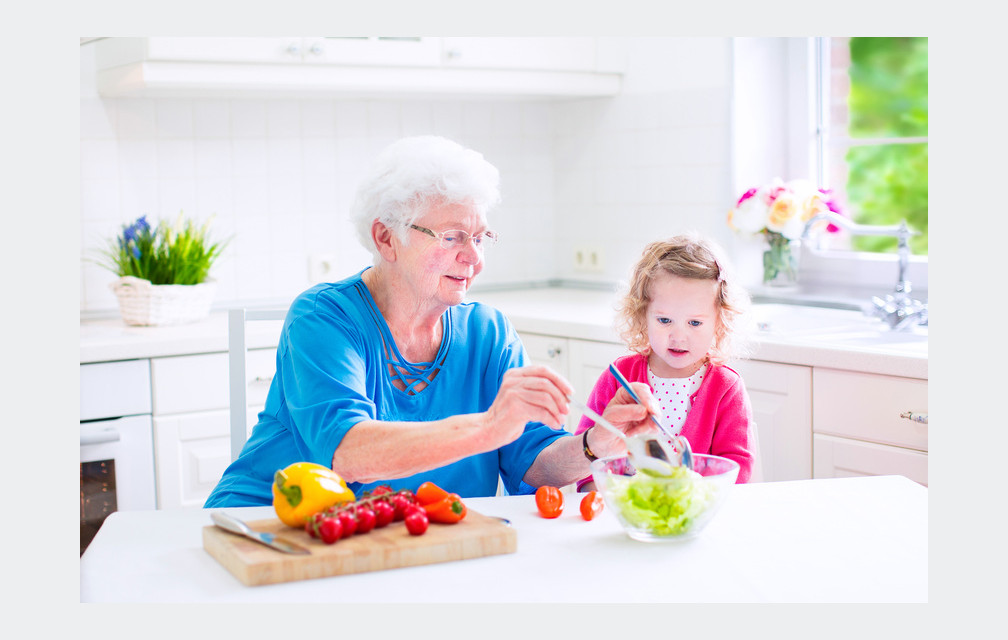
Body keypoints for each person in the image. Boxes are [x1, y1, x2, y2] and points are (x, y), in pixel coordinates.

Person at [205, 135, 658, 507]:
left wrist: (595, 444)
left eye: (480, 237)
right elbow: (348, 453)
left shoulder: (488, 333)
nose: (474, 258)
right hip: (268, 529)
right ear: (387, 238)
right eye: (452, 237)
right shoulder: (324, 318)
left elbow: (531, 460)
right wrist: (489, 426)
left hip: (404, 542)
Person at [574, 233, 756, 492]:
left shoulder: (726, 387)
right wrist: (598, 493)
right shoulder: (620, 376)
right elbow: (588, 453)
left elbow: (736, 468)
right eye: (664, 320)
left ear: (719, 320)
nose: (678, 336)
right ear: (642, 314)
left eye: (695, 323)